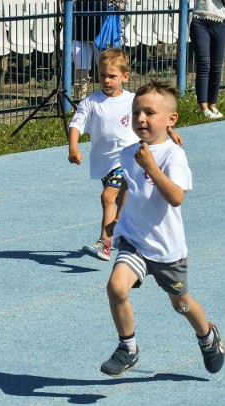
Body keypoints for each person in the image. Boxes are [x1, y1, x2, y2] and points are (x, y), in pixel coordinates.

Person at [99, 80, 225, 377]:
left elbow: (176, 197)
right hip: (134, 241)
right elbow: (131, 186)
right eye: (136, 112)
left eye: (150, 113)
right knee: (116, 287)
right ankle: (127, 348)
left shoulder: (173, 156)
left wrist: (152, 167)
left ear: (171, 120)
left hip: (166, 249)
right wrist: (118, 218)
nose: (141, 118)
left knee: (181, 304)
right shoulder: (129, 152)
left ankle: (207, 336)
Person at [68, 48, 182, 262]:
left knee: (108, 197)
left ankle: (105, 242)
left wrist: (169, 130)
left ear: (125, 77)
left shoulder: (132, 100)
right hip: (105, 163)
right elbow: (76, 124)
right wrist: (73, 147)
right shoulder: (90, 102)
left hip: (130, 158)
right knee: (122, 199)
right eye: (102, 75)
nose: (106, 80)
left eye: (112, 76)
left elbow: (150, 118)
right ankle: (130, 234)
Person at [189, 0, 225, 119]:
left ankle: (212, 105)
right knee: (203, 64)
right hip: (200, 20)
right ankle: (203, 108)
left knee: (217, 67)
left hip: (222, 22)